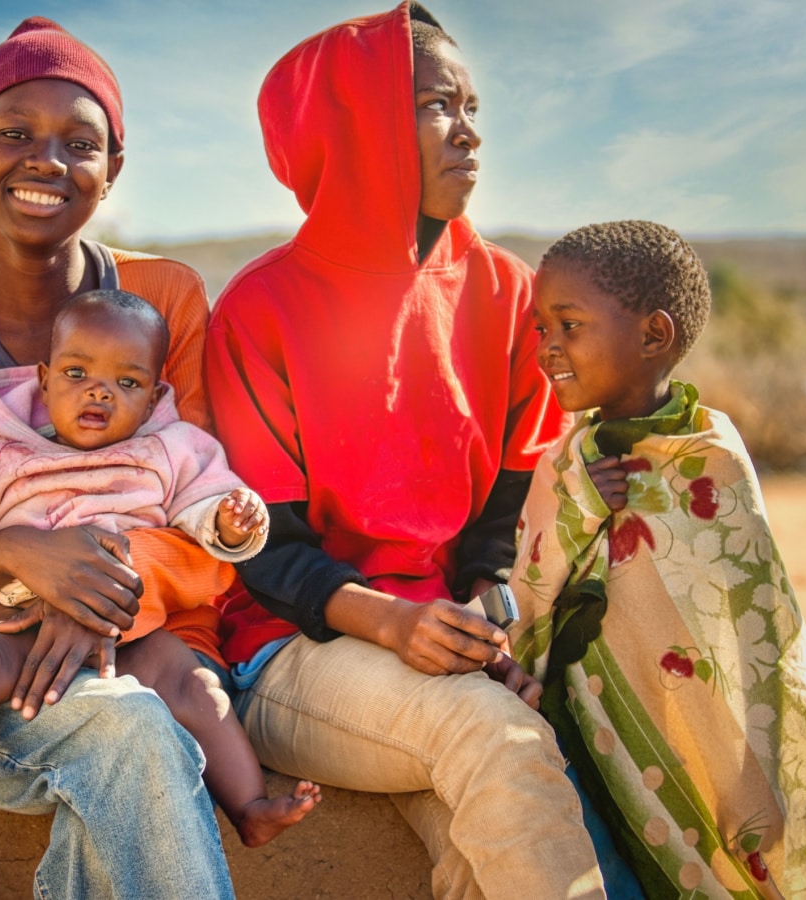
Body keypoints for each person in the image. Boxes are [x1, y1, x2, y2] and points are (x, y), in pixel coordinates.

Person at [206, 4, 606, 897]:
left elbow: (496, 527)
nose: (467, 132)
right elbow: (265, 551)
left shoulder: (507, 290)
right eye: (435, 104)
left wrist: (483, 620)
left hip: (445, 642)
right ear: (356, 125)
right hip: (295, 648)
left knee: (484, 841)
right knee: (494, 739)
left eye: (473, 106)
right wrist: (397, 625)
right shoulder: (260, 308)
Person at [0, 17, 236, 898]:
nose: (46, 161)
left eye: (79, 142)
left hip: (154, 654)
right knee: (134, 737)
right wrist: (24, 557)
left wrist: (99, 593)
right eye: (15, 134)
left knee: (137, 728)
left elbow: (206, 514)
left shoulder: (166, 298)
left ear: (113, 171)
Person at [0, 289, 320, 847]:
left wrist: (233, 522)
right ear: (43, 379)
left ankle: (250, 806)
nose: (99, 391)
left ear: (155, 394)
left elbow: (208, 509)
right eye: (77, 372)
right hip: (26, 616)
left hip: (133, 622)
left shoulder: (171, 449)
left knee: (195, 683)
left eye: (127, 383)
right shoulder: (2, 458)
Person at [508, 220, 806, 899]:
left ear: (654, 335)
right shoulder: (565, 460)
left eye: (569, 325)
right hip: (594, 734)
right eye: (541, 329)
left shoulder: (712, 457)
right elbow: (530, 584)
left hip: (702, 734)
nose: (547, 347)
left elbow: (757, 627)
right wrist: (581, 503)